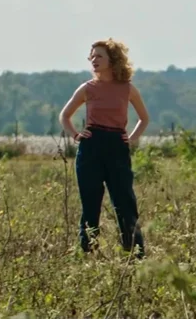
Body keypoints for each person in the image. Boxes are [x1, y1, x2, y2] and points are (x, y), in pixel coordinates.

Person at [59, 38, 151, 258]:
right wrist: (76, 135)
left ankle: (136, 255)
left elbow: (144, 118)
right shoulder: (87, 88)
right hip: (91, 148)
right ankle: (88, 255)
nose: (94, 60)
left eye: (99, 56)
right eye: (91, 56)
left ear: (113, 59)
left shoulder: (127, 88)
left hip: (117, 147)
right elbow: (65, 115)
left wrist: (132, 138)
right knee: (90, 205)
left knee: (125, 203)